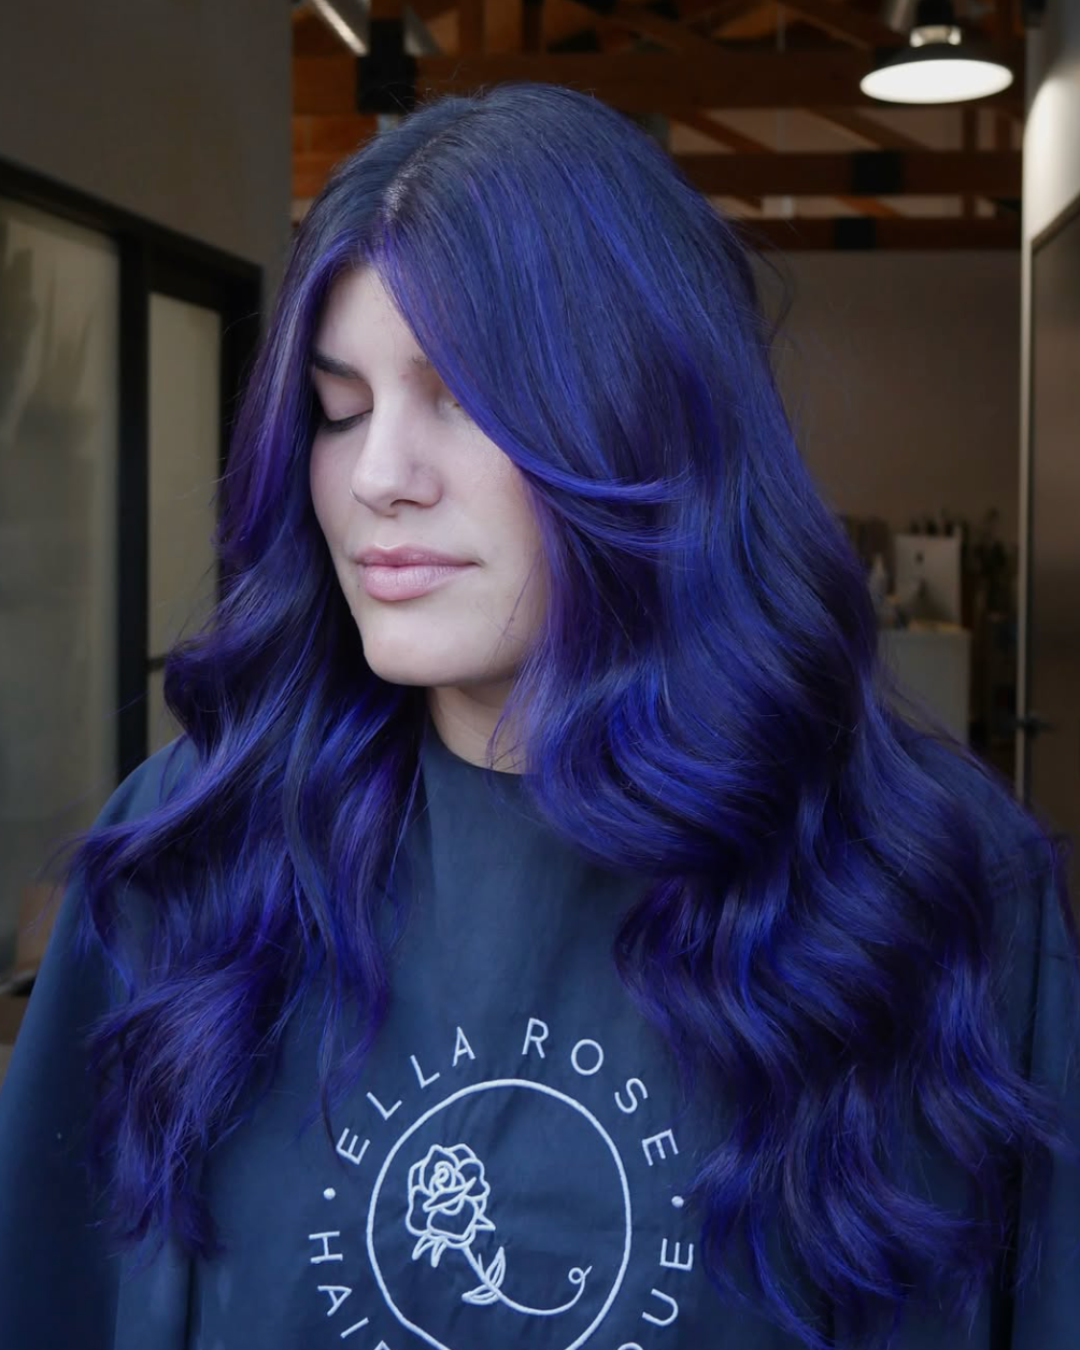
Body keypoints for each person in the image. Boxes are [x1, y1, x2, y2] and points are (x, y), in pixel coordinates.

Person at [1, 80, 1078, 1350]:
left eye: (458, 397)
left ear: (645, 423)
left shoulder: (937, 888)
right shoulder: (188, 856)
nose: (378, 478)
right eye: (340, 411)